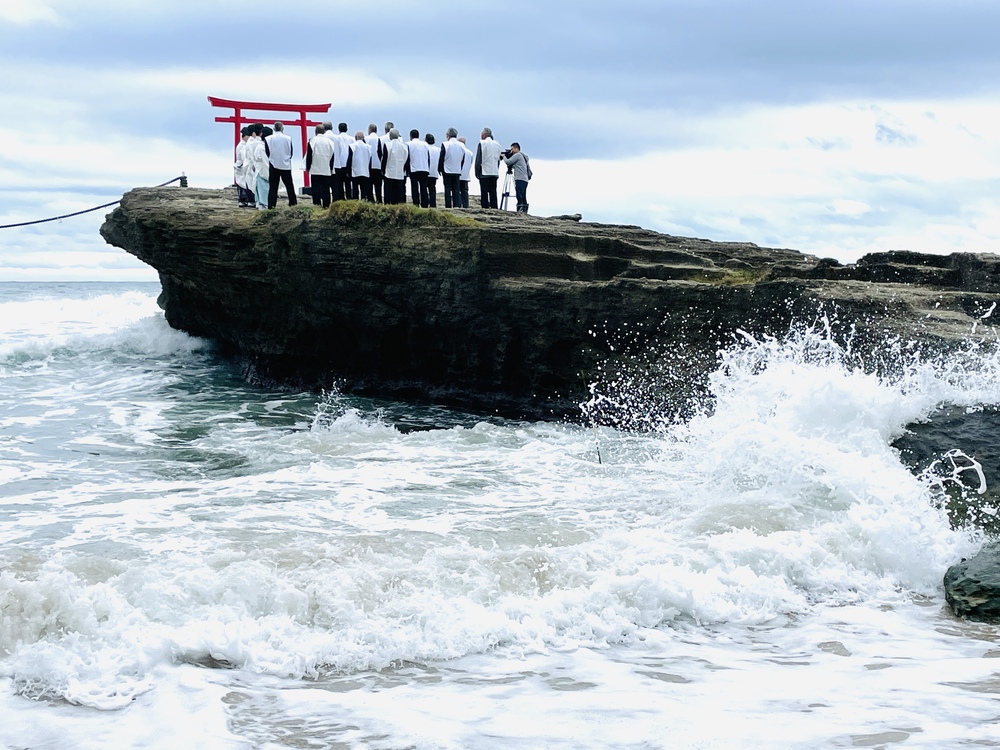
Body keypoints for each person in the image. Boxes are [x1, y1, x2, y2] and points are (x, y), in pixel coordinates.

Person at [264, 121, 297, 208]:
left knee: (273, 187)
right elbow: (291, 152)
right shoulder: (288, 138)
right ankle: (293, 203)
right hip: (286, 164)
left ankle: (271, 205)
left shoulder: (268, 138)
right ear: (282, 128)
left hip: (273, 163)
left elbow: (267, 152)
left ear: (274, 129)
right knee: (289, 185)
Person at [306, 124, 335, 207]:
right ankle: (326, 205)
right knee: (326, 188)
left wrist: (308, 167)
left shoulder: (312, 141)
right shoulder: (330, 142)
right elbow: (332, 156)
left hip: (315, 168)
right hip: (326, 169)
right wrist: (331, 168)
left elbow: (309, 156)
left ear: (315, 132)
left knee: (315, 188)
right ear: (324, 131)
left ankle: (317, 204)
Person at [475, 127, 503, 209]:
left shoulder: (482, 143)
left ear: (484, 135)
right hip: (494, 171)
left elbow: (478, 159)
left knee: (484, 191)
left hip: (484, 171)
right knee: (493, 191)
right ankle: (494, 207)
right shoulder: (497, 144)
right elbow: (498, 159)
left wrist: (477, 171)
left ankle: (485, 207)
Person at [502, 142, 532, 213]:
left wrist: (503, 156)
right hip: (525, 179)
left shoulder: (518, 155)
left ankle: (520, 208)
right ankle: (524, 209)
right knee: (523, 194)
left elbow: (508, 162)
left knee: (519, 194)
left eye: (512, 149)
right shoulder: (524, 156)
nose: (511, 151)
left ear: (516, 148)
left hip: (519, 178)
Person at [382, 128, 409, 205]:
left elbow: (384, 159)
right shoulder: (404, 146)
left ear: (390, 136)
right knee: (398, 192)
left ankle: (388, 204)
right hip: (400, 172)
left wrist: (382, 170)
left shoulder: (387, 145)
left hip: (389, 172)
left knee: (388, 191)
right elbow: (406, 158)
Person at [440, 128, 465, 209]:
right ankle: (456, 205)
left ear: (448, 135)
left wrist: (440, 169)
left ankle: (448, 205)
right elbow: (463, 158)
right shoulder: (461, 145)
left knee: (447, 188)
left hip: (447, 169)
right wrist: (460, 167)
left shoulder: (445, 144)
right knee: (456, 189)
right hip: (457, 169)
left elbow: (442, 158)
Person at [406, 129, 430, 207]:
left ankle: (416, 203)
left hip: (414, 168)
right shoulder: (425, 144)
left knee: (414, 187)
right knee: (424, 187)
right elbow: (428, 156)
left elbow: (407, 157)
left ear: (410, 136)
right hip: (424, 168)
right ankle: (425, 203)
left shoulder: (408, 144)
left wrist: (407, 169)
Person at [250, 124, 271, 210]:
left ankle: (261, 203)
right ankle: (264, 203)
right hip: (265, 167)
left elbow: (255, 157)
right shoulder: (263, 145)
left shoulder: (258, 145)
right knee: (265, 187)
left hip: (260, 167)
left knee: (261, 187)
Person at [331, 122, 353, 201]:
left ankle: (341, 197)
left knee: (340, 183)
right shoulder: (352, 138)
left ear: (338, 129)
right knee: (348, 183)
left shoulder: (337, 138)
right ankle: (349, 197)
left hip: (340, 163)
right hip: (349, 163)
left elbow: (337, 151)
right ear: (347, 129)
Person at [234, 126, 254, 207]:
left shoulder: (244, 144)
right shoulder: (242, 145)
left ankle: (245, 200)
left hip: (243, 166)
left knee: (244, 184)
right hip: (242, 166)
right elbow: (243, 157)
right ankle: (244, 200)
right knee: (243, 184)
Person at [365, 123, 384, 203]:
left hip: (369, 165)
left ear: (369, 130)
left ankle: (370, 199)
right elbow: (381, 152)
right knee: (378, 185)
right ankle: (379, 199)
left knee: (369, 185)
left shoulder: (366, 138)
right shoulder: (379, 139)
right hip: (378, 165)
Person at [351, 131, 371, 201]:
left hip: (355, 171)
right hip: (365, 171)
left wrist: (348, 171)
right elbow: (370, 160)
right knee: (364, 190)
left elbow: (349, 159)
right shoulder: (368, 147)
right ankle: (363, 202)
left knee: (355, 190)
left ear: (355, 137)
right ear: (363, 138)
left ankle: (355, 202)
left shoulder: (352, 146)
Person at [424, 133, 441, 209]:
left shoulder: (425, 148)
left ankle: (425, 202)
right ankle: (433, 204)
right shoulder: (438, 149)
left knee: (424, 188)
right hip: (434, 172)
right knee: (432, 189)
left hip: (425, 171)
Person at [458, 136, 474, 208]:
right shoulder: (470, 153)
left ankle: (458, 205)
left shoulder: (458, 151)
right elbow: (470, 163)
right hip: (466, 175)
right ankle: (466, 205)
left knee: (457, 191)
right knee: (465, 191)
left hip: (457, 174)